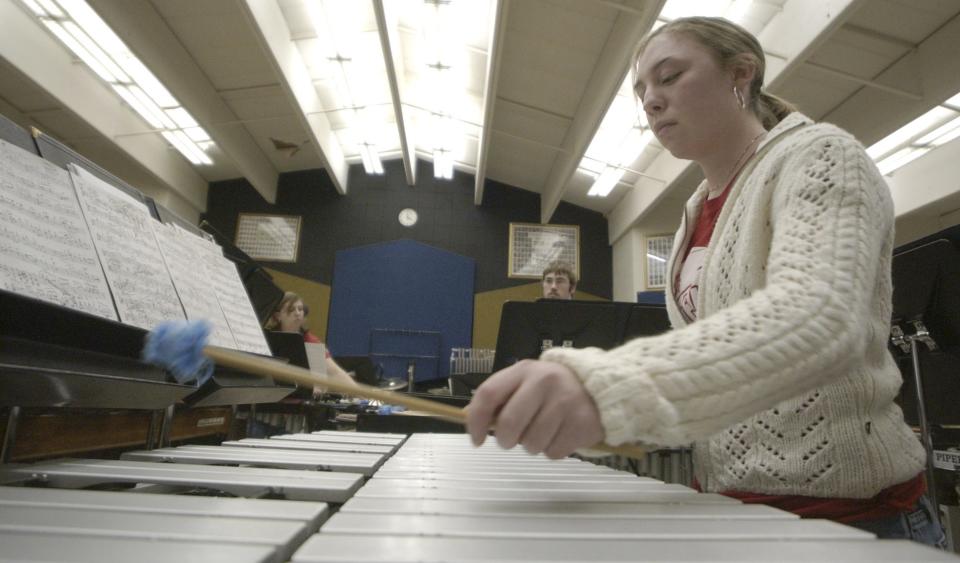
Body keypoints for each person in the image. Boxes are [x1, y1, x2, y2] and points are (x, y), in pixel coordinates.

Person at [466, 16, 944, 547]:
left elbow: (821, 317)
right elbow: (718, 383)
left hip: (854, 520)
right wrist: (598, 427)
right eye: (642, 90)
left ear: (741, 74)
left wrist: (605, 386)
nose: (650, 101)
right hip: (730, 511)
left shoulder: (822, 156)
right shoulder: (693, 215)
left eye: (669, 77)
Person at [265, 291, 355, 387]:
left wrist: (359, 393)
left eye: (300, 309)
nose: (297, 313)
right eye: (291, 310)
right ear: (278, 316)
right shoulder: (267, 338)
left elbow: (335, 372)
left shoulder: (310, 340)